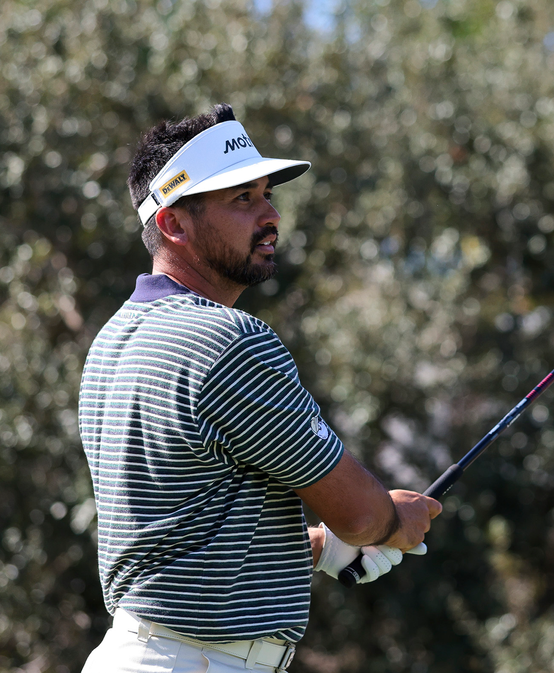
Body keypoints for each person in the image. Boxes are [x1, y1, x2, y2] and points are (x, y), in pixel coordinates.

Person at [78, 103, 441, 672]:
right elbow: (360, 516)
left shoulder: (111, 341)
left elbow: (185, 533)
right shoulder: (231, 340)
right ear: (173, 223)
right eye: (241, 199)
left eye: (267, 194)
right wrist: (392, 521)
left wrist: (318, 548)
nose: (270, 214)